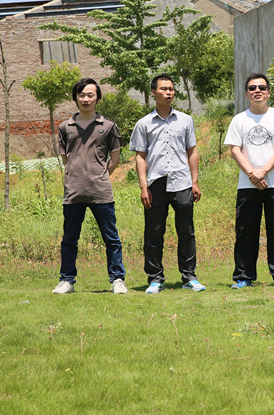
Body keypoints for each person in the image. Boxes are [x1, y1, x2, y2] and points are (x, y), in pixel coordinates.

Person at [130, 74, 206, 294]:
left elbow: (192, 151)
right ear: (153, 92)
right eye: (164, 89)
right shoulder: (144, 124)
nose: (168, 92)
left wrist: (194, 181)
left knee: (187, 232)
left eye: (171, 89)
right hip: (156, 183)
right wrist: (143, 187)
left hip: (182, 182)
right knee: (154, 232)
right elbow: (140, 156)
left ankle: (189, 277)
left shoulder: (185, 120)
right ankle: (155, 278)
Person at [52, 78, 127, 295]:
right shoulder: (65, 127)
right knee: (69, 239)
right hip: (73, 192)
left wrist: (99, 176)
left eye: (90, 95)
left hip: (101, 192)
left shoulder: (109, 126)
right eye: (82, 95)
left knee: (111, 238)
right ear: (75, 98)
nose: (86, 99)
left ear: (98, 98)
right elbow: (66, 159)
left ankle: (117, 279)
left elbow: (115, 159)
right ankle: (66, 280)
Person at [224, 73, 274, 288]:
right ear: (246, 93)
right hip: (247, 185)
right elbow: (234, 150)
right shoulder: (239, 119)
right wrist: (252, 175)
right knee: (246, 231)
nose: (258, 91)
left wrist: (263, 171)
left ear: (268, 92)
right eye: (253, 88)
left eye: (262, 88)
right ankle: (243, 276)